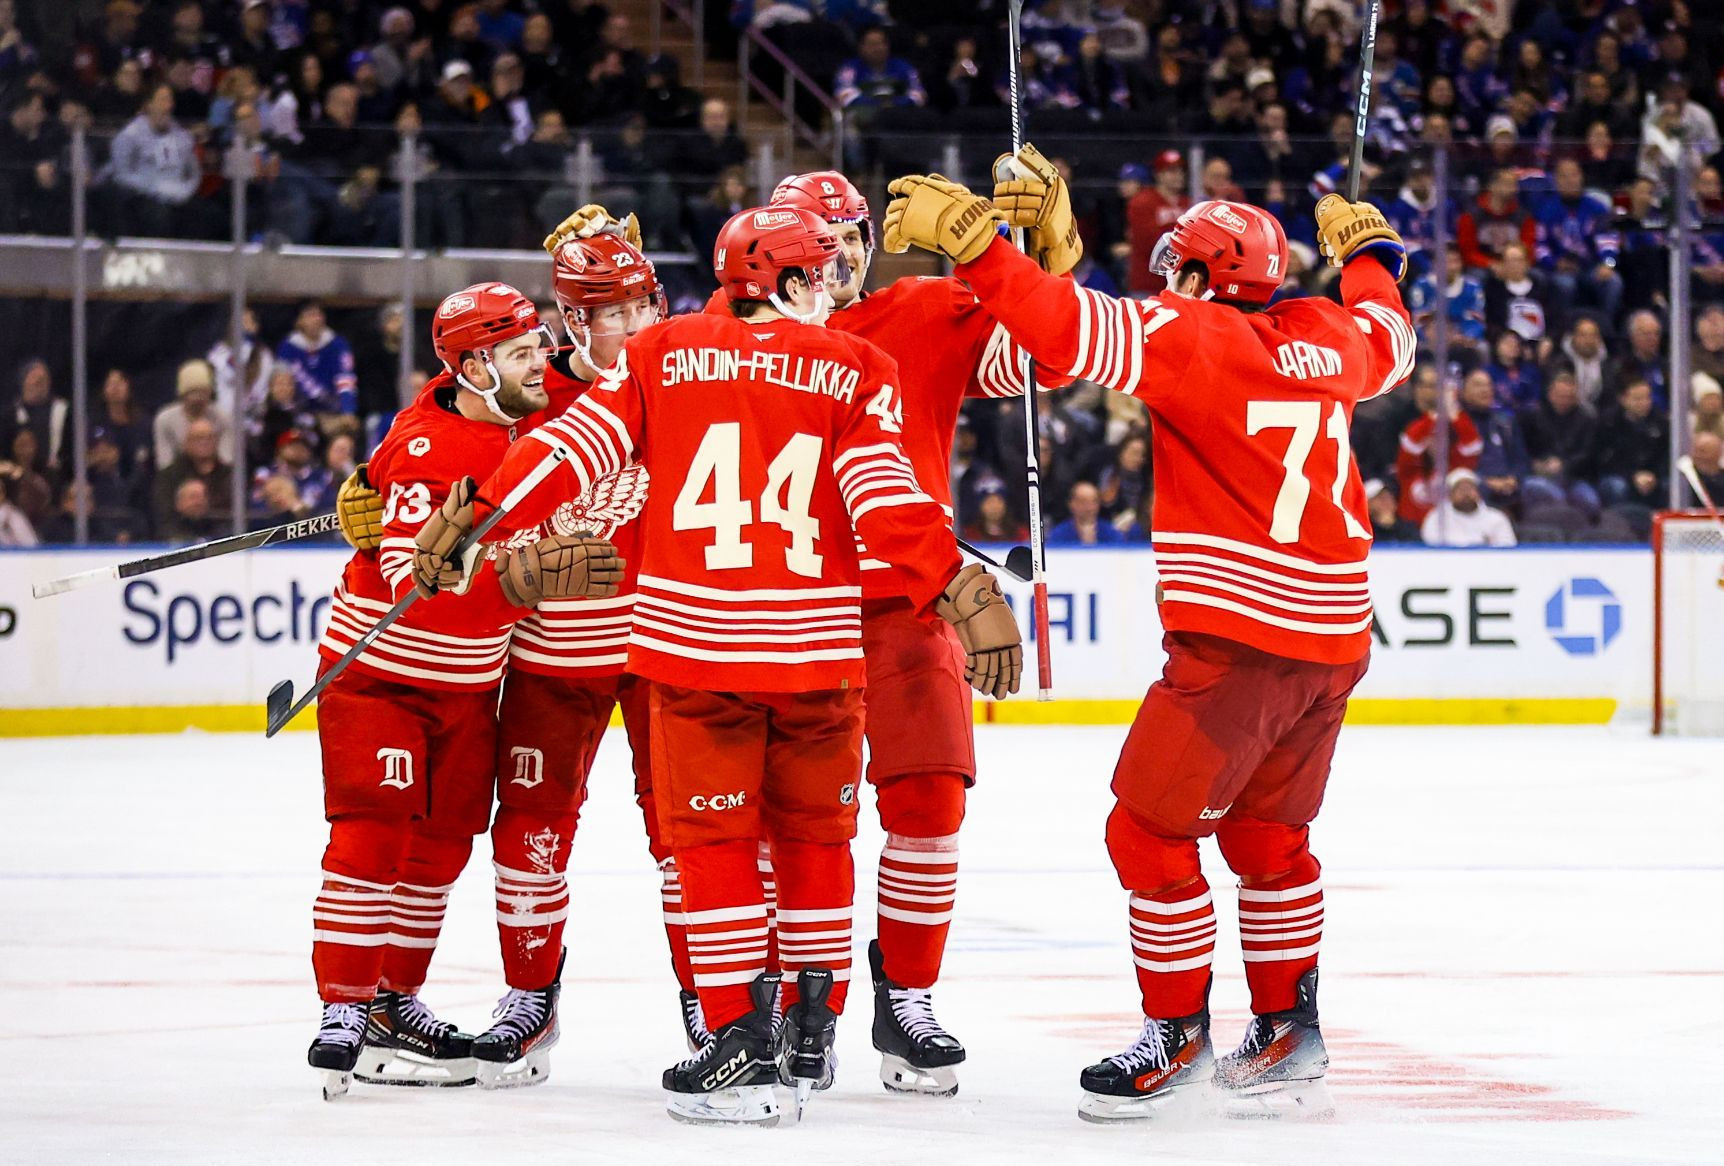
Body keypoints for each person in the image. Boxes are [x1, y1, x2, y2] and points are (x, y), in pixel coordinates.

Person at [421, 205, 1019, 1126]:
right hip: (819, 655)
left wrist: (479, 508)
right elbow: (886, 500)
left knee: (715, 847)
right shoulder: (858, 365)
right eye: (819, 273)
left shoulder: (662, 352)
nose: (832, 287)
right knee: (816, 841)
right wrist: (960, 587)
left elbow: (570, 449)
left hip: (700, 652)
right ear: (789, 281)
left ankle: (741, 1041)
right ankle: (811, 1032)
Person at [884, 168, 1414, 1119]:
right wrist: (1370, 256)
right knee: (1268, 836)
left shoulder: (1191, 335)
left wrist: (977, 244)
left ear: (1204, 278)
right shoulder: (1332, 333)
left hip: (1244, 642)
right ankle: (1288, 1029)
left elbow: (1064, 330)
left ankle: (1176, 1035)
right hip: (1333, 640)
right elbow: (1393, 337)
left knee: (1146, 830)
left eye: (1178, 268)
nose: (1167, 281)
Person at [303, 282, 621, 1101]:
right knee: (373, 838)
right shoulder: (426, 446)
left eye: (537, 346)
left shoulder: (524, 421)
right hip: (385, 680)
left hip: (469, 690)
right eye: (520, 354)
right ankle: (347, 1005)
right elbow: (414, 583)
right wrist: (522, 577)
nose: (539, 364)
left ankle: (393, 1002)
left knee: (442, 848)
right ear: (475, 368)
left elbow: (600, 373)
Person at [276, 300, 360, 431]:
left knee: (349, 427)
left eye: (319, 315)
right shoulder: (287, 347)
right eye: (310, 315)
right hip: (298, 412)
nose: (317, 319)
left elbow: (346, 380)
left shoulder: (337, 344)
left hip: (333, 412)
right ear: (299, 321)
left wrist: (348, 411)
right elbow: (282, 383)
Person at [154, 358, 237, 469]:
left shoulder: (223, 418)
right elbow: (165, 463)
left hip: (215, 474)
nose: (199, 397)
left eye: (203, 391)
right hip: (177, 475)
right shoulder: (165, 420)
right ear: (183, 394)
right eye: (193, 392)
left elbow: (226, 460)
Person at [1420, 467, 1517, 547]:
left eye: (1470, 488)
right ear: (1450, 495)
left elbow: (1507, 548)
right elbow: (1431, 547)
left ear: (1478, 493)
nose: (1466, 493)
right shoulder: (1437, 517)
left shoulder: (1496, 517)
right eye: (1460, 489)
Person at [1048, 481, 1127, 546]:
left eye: (1093, 501)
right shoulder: (1059, 534)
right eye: (1083, 502)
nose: (1089, 507)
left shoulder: (1110, 532)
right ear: (1072, 504)